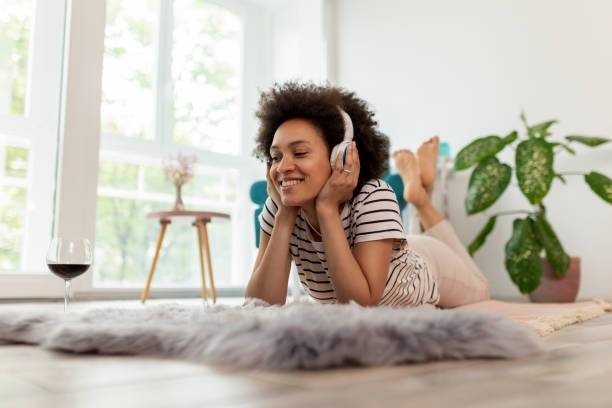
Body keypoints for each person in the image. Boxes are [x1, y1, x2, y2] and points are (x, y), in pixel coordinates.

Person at [245, 82, 490, 308]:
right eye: (276, 157)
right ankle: (422, 194)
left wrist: (327, 209)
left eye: (299, 153)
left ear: (338, 156)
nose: (283, 167)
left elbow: (361, 305)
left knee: (482, 290)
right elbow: (259, 305)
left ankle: (422, 201)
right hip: (383, 245)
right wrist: (285, 215)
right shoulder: (279, 208)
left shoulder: (372, 196)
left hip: (425, 265)